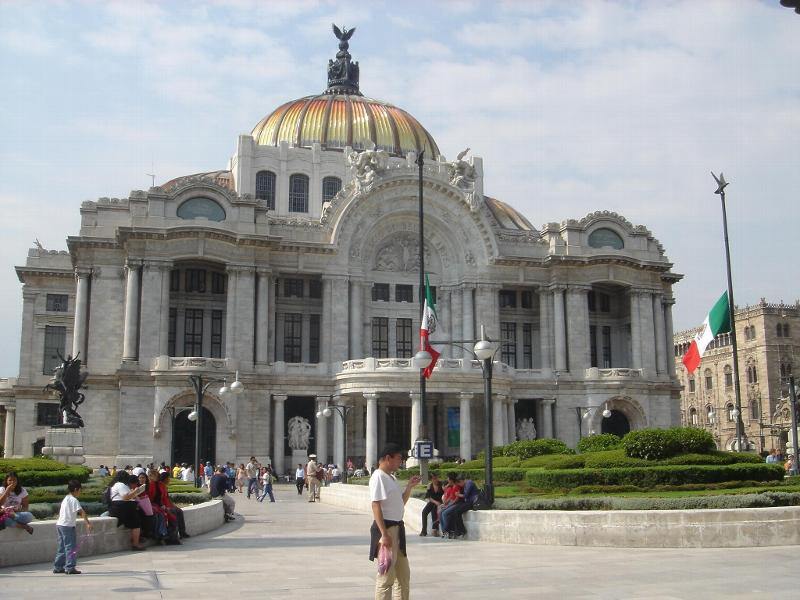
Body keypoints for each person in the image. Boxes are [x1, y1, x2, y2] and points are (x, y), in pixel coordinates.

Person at [368, 443, 421, 600]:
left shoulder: (391, 478)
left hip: (397, 529)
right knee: (386, 577)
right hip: (387, 529)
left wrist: (409, 487)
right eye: (398, 459)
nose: (401, 462)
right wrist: (384, 533)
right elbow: (375, 504)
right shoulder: (378, 477)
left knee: (403, 575)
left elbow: (400, 503)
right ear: (387, 458)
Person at [53, 479, 92, 574]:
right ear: (76, 489)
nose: (80, 492)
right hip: (68, 526)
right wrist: (88, 523)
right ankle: (70, 567)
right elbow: (82, 512)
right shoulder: (74, 500)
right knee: (70, 547)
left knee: (62, 546)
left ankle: (58, 567)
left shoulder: (66, 498)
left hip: (60, 525)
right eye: (80, 490)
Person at [109, 471, 146, 550]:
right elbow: (126, 497)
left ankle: (138, 539)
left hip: (119, 507)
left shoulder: (116, 485)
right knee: (136, 522)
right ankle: (135, 544)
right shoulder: (121, 485)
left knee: (137, 518)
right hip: (122, 507)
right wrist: (136, 491)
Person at [159, 472, 190, 539]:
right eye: (168, 478)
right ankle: (173, 535)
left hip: (168, 505)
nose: (169, 480)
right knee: (173, 512)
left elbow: (167, 498)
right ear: (165, 479)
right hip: (163, 506)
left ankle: (182, 532)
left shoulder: (164, 486)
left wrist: (172, 505)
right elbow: (160, 499)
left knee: (179, 511)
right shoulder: (159, 486)